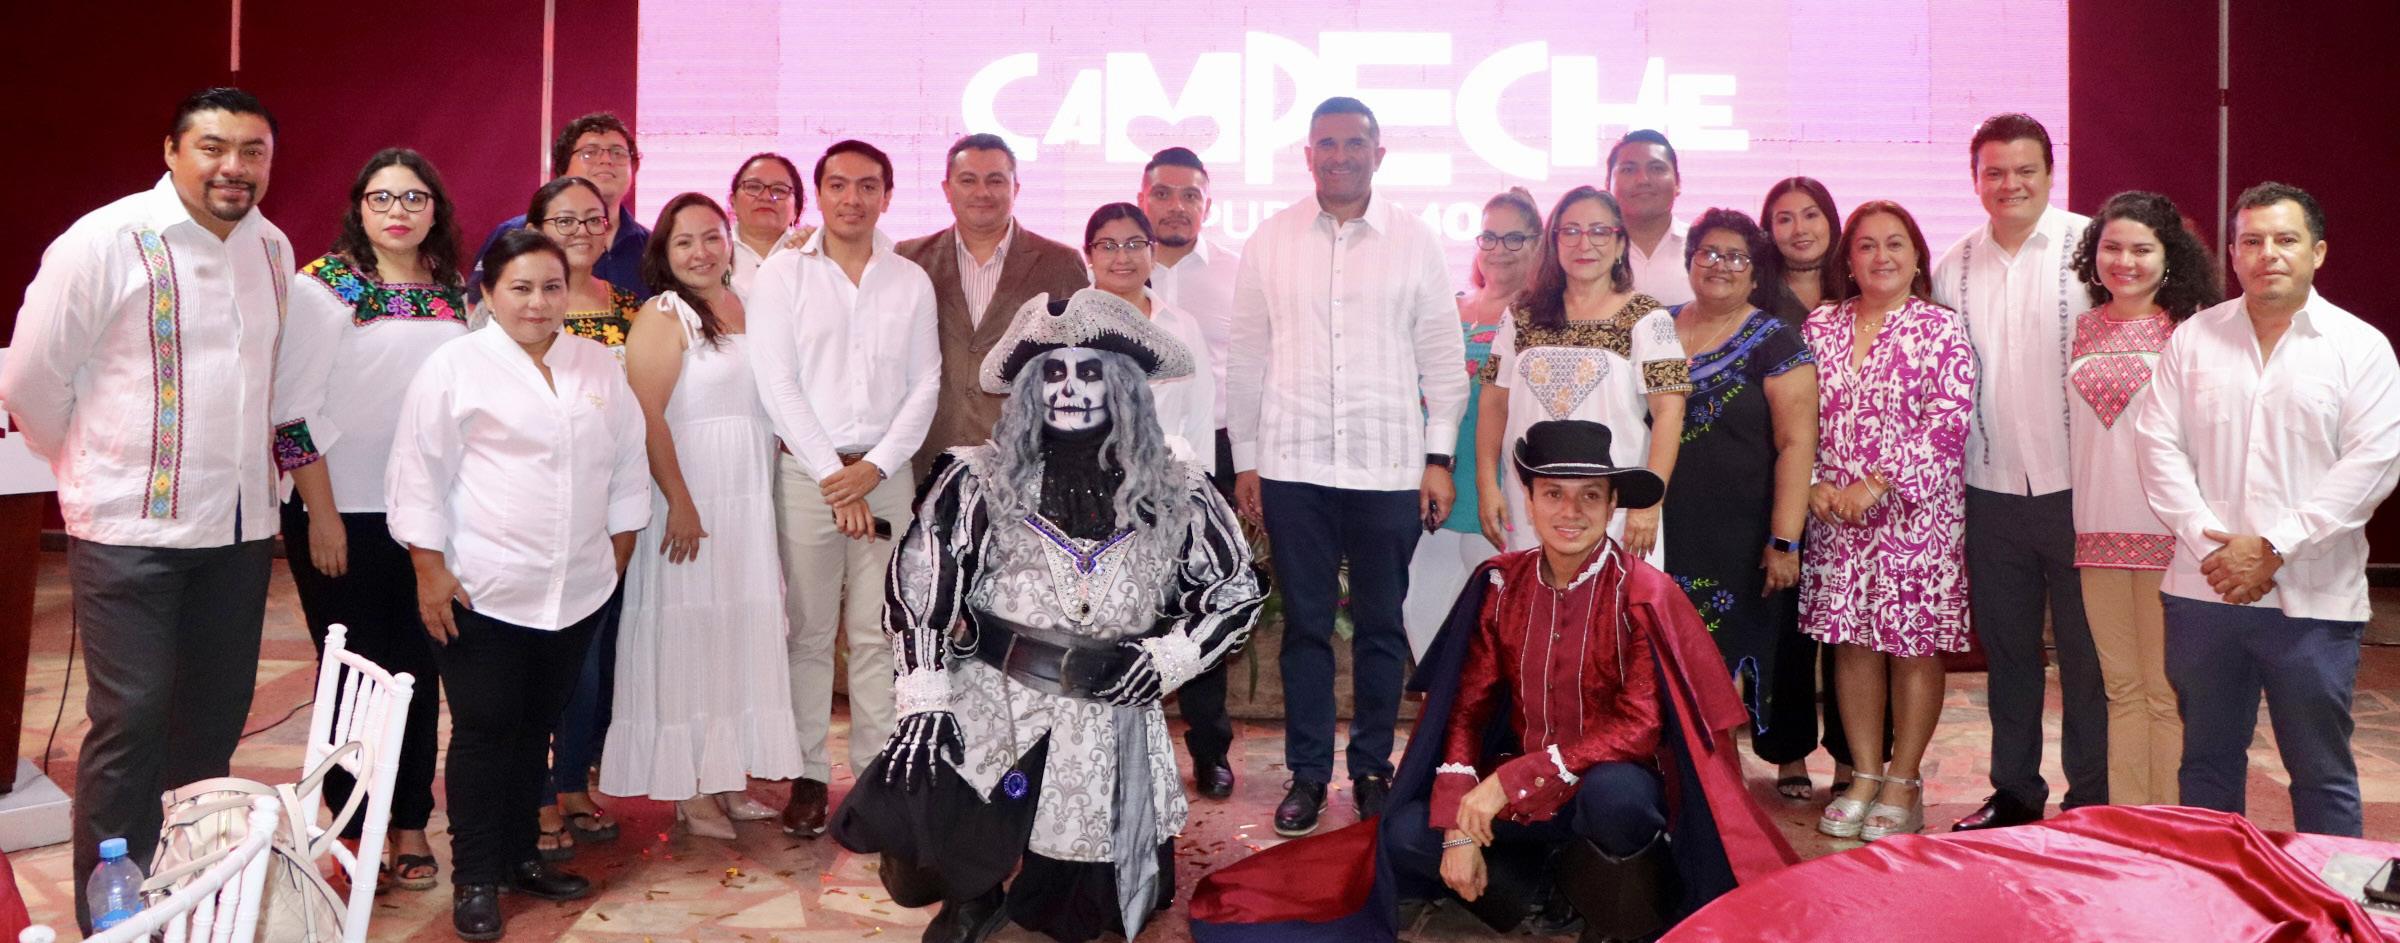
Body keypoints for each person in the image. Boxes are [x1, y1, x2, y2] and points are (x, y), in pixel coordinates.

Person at [829, 288, 1265, 943]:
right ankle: (971, 893)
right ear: (1031, 388)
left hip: (1108, 714)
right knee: (925, 840)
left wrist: (1166, 659)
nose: (1070, 388)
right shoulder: (976, 477)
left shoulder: (1177, 483)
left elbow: (1234, 590)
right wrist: (924, 698)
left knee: (1087, 914)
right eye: (1053, 372)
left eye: (1090, 372)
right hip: (994, 696)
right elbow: (922, 583)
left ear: (1121, 384)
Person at [0, 88, 290, 934]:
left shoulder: (272, 247)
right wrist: (94, 468)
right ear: (171, 150)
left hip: (238, 530)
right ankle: (114, 919)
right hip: (130, 532)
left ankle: (185, 897)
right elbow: (30, 380)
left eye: (253, 151)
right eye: (213, 147)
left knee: (211, 723)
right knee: (130, 721)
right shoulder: (104, 241)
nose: (234, 167)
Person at [1379, 419, 1797, 940]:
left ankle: (1617, 900)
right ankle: (1545, 890)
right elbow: (1468, 709)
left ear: (1611, 504)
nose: (1570, 512)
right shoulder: (1501, 586)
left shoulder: (1642, 594)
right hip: (1526, 801)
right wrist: (1458, 827)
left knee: (1615, 799)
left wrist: (1510, 781)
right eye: (1553, 493)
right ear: (1530, 501)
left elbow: (1639, 727)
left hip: (1605, 791)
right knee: (1406, 833)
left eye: (1590, 496)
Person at [385, 229, 651, 940]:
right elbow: (417, 474)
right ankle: (475, 877)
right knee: (485, 729)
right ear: (488, 293)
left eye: (551, 287)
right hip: (481, 590)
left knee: (535, 727)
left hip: (577, 590)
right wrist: (429, 572)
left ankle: (519, 858)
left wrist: (616, 556)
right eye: (521, 288)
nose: (538, 303)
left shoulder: (595, 363)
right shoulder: (455, 367)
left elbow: (628, 464)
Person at [1226, 96, 1469, 837]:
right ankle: (1306, 773)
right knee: (1305, 625)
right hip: (1293, 465)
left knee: (1380, 626)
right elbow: (1247, 357)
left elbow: (1443, 360)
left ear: (1378, 153)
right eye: (1326, 144)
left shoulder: (1415, 241)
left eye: (1354, 143)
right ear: (1308, 155)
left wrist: (1438, 458)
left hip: (1388, 468)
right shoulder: (1270, 239)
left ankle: (1370, 768)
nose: (1340, 156)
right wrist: (1248, 461)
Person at [2137, 182, 2400, 837]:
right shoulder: (2194, 340)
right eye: (2251, 241)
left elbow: (2371, 464)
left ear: (2318, 252)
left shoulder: (2360, 348)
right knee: (2206, 765)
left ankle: (2328, 894)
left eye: (2286, 239)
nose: (2268, 254)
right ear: (2233, 253)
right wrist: (2217, 549)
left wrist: (2275, 545)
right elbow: (2158, 446)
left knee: (2320, 770)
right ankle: (2216, 889)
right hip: (2205, 591)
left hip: (2314, 598)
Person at [270, 147, 470, 892]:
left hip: (427, 516)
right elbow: (291, 412)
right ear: (358, 207)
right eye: (381, 198)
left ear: (435, 209)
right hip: (342, 512)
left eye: (414, 198)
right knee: (356, 678)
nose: (398, 211)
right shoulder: (325, 286)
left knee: (419, 671)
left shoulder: (453, 290)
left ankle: (411, 821)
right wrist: (322, 514)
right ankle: (354, 829)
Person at [746, 139, 941, 838]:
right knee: (807, 630)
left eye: (867, 186)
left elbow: (926, 384)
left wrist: (874, 468)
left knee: (877, 632)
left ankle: (873, 779)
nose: (851, 198)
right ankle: (805, 774)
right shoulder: (783, 274)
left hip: (885, 478)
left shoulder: (909, 280)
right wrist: (837, 475)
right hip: (808, 477)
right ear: (819, 193)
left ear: (887, 195)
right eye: (837, 184)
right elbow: (777, 384)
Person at [598, 193, 803, 836]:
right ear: (664, 251)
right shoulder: (664, 315)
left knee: (734, 631)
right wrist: (680, 502)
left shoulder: (748, 305)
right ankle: (687, 787)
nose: (701, 252)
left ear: (729, 241)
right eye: (684, 241)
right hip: (688, 496)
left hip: (747, 498)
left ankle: (726, 775)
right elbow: (646, 416)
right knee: (688, 630)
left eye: (711, 237)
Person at [1933, 113, 2106, 831]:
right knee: (2008, 654)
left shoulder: (2093, 248)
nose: (2011, 184)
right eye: (1995, 172)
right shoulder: (1951, 265)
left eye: (2025, 170)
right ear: (1976, 180)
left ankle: (2092, 795)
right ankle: (2014, 790)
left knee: (2088, 656)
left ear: (2050, 173)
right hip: (1990, 488)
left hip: (2082, 488)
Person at [1803, 201, 1976, 842]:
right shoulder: (1820, 326)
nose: (1881, 256)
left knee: (1912, 645)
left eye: (1895, 243)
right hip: (1835, 516)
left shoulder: (1939, 328)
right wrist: (1814, 483)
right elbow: (1796, 412)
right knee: (1851, 644)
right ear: (1848, 260)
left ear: (1916, 256)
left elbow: (1948, 422)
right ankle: (1865, 775)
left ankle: (1904, 781)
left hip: (1914, 518)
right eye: (1867, 245)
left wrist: (1875, 485)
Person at [1659, 208, 1821, 800]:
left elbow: (1797, 442)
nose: (1720, 265)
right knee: (1666, 655)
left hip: (1744, 534)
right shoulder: (1655, 329)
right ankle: (1678, 774)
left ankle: (1743, 776)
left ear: (1755, 274)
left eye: (1736, 257)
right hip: (1662, 529)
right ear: (1690, 261)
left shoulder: (1775, 339)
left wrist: (1785, 539)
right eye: (1708, 252)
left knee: (1747, 652)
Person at [2065, 191, 2220, 808]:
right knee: (2121, 688)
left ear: (2168, 256)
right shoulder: (2083, 328)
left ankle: (2171, 823)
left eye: (2141, 249)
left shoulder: (2192, 331)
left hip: (2169, 531)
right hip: (2095, 529)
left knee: (2163, 690)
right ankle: (2130, 823)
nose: (2124, 262)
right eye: (2112, 247)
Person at [523, 173, 643, 858]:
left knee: (592, 659)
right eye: (562, 220)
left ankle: (572, 781)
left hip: (605, 510)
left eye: (591, 219)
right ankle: (534, 789)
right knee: (531, 658)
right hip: (527, 511)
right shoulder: (515, 305)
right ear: (535, 227)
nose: (579, 231)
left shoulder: (630, 308)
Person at [1475, 186, 1688, 561]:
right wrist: (1487, 485)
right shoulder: (1521, 314)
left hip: (1617, 507)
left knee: (1616, 596)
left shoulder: (1647, 317)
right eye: (1571, 231)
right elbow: (1493, 404)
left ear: (1620, 243)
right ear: (1554, 242)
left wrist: (1649, 501)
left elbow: (1670, 412)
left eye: (1599, 231)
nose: (1584, 244)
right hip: (1531, 503)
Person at [1759, 176, 1879, 797]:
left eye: (1810, 215)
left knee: (1853, 629)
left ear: (1833, 222)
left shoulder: (1862, 290)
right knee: (1786, 629)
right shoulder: (1756, 299)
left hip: (1858, 492)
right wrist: (1801, 479)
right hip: (1781, 483)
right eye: (1783, 218)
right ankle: (1788, 755)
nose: (1799, 229)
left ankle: (1854, 756)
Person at [1135, 146, 1246, 800]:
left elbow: (1253, 369)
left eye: (1190, 195)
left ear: (1208, 204)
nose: (1176, 206)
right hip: (1115, 465)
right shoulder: (1110, 271)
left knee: (1200, 600)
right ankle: (1132, 748)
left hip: (1212, 454)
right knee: (1125, 607)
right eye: (1164, 193)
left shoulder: (1236, 273)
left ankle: (1210, 749)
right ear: (1143, 198)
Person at [1402, 188, 1542, 658]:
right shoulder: (1449, 306)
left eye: (1514, 238)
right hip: (1436, 481)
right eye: (1489, 237)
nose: (1499, 249)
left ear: (1539, 245)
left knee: (1498, 622)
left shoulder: (1541, 318)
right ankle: (1439, 705)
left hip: (1497, 487)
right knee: (1421, 610)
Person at [899, 133, 1090, 475]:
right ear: (947, 189)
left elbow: (1078, 364)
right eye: (968, 180)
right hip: (927, 453)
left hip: (1026, 459)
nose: (982, 192)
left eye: (996, 180)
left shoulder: (1060, 263)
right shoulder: (909, 259)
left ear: (1016, 188)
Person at [1078, 203, 1214, 465]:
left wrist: (1197, 481)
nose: (1122, 258)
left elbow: (1200, 417)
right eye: (1107, 246)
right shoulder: (1064, 327)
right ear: (1088, 256)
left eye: (1134, 245)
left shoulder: (1183, 326)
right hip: (1084, 476)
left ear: (1153, 253)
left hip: (1164, 476)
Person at [469, 112, 651, 302]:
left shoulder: (652, 246)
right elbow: (476, 304)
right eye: (590, 152)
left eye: (618, 153)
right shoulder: (514, 233)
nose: (606, 160)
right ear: (563, 169)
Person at [1610, 129, 1693, 307]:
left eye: (1656, 168)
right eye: (1628, 169)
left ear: (1678, 183)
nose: (1643, 180)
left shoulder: (1701, 247)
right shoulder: (1589, 251)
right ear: (1607, 184)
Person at [728, 151, 809, 296]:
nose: (766, 197)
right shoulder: (714, 251)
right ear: (733, 202)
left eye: (779, 190)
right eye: (753, 187)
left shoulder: (811, 254)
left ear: (797, 209)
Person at [1763, 176, 1844, 312]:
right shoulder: (1753, 291)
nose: (1799, 230)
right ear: (1770, 231)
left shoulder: (1857, 286)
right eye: (1785, 220)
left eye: (1810, 215)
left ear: (1830, 222)